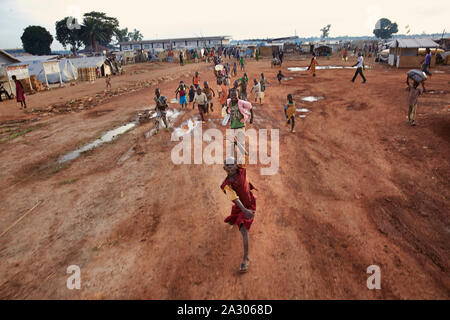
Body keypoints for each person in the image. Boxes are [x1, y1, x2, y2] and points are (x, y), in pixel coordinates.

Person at [221, 141, 257, 273]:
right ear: (224, 168)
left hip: (248, 204)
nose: (230, 167)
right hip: (243, 207)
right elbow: (235, 199)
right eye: (227, 165)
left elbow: (246, 154)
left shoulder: (241, 169)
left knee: (243, 229)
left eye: (232, 165)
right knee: (235, 216)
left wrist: (237, 144)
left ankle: (245, 258)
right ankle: (233, 220)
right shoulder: (226, 184)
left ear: (236, 166)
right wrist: (245, 210)